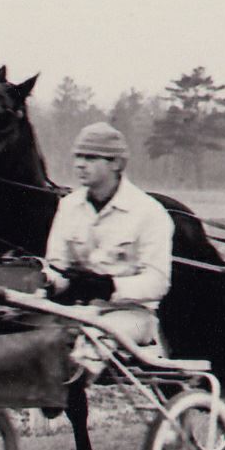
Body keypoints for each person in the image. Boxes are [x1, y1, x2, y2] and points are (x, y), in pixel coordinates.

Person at [42, 122, 176, 361]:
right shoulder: (69, 206)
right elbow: (57, 265)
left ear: (116, 163)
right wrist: (50, 280)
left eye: (91, 158)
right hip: (77, 310)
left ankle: (69, 392)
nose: (79, 164)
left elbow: (158, 282)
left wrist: (110, 287)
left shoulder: (149, 213)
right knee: (32, 339)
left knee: (86, 347)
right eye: (78, 156)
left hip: (131, 316)